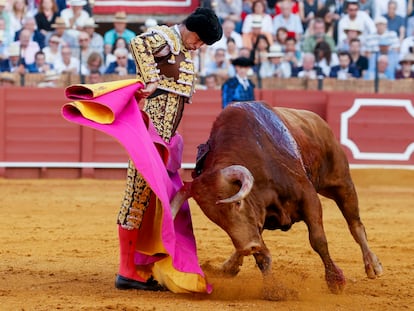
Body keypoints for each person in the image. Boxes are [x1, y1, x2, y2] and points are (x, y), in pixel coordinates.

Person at [115, 7, 222, 291]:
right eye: (199, 41)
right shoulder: (166, 37)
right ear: (191, 30)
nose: (198, 48)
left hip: (165, 141)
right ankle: (126, 271)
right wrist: (149, 78)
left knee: (154, 200)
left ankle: (140, 263)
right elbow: (137, 43)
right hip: (148, 137)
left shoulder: (182, 50)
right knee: (136, 196)